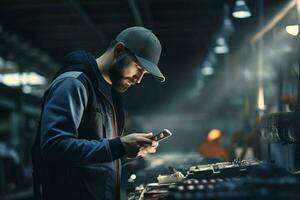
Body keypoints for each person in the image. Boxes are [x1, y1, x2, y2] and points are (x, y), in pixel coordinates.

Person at [31, 26, 165, 200]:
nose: (139, 79)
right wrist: (118, 146)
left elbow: (97, 155)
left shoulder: (108, 94)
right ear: (118, 50)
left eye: (144, 73)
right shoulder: (73, 84)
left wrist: (127, 151)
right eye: (138, 67)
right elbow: (54, 147)